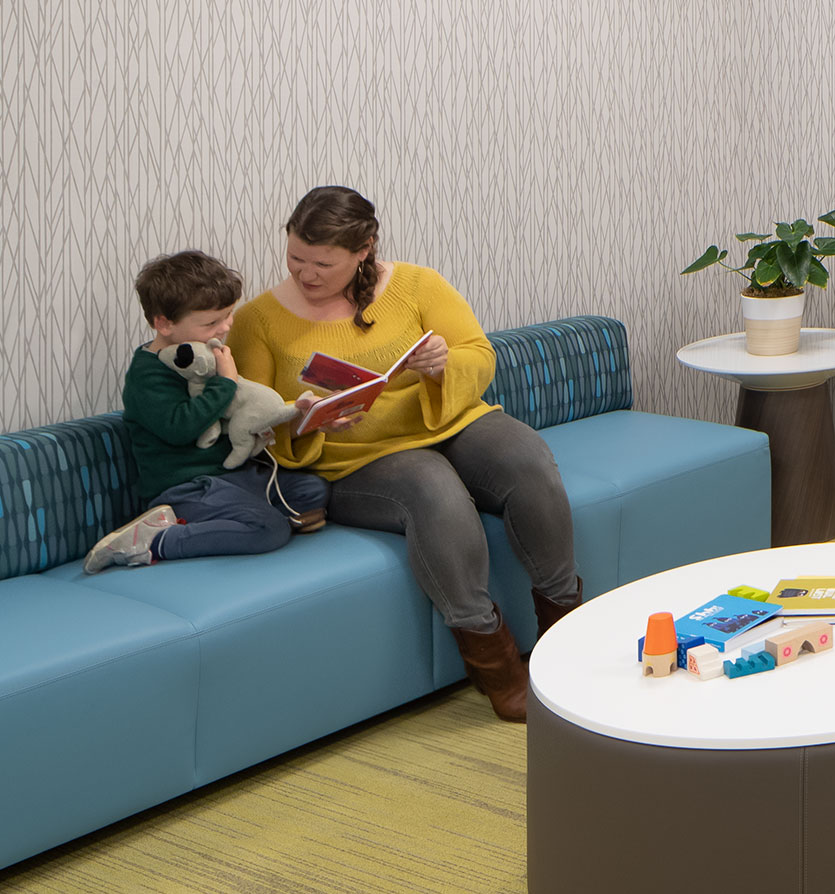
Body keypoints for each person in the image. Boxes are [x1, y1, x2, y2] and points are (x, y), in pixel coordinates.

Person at [227, 186, 582, 724]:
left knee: (527, 458)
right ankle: (495, 661)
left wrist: (443, 363)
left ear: (364, 248)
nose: (307, 274)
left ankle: (565, 627)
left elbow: (477, 353)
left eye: (324, 263)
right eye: (296, 258)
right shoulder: (259, 319)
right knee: (432, 486)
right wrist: (303, 417)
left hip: (447, 421)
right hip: (353, 459)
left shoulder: (417, 284)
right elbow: (252, 415)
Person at [86, 251, 331, 574]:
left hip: (233, 475)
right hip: (186, 485)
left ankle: (238, 519)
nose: (226, 327)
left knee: (313, 490)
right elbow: (181, 427)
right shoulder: (147, 375)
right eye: (212, 322)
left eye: (228, 315)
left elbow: (231, 410)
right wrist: (226, 383)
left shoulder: (207, 354)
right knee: (270, 529)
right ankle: (154, 541)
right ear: (164, 323)